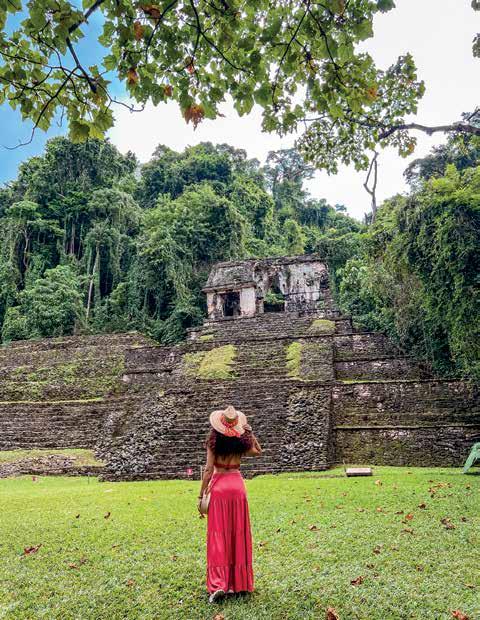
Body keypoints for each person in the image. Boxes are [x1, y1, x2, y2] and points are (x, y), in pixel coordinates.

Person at [197, 405, 262, 603]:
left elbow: (208, 470)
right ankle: (240, 583)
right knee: (238, 533)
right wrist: (250, 433)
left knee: (219, 535)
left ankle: (219, 583)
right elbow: (258, 451)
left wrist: (201, 495)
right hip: (237, 487)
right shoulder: (241, 441)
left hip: (220, 488)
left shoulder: (213, 442)